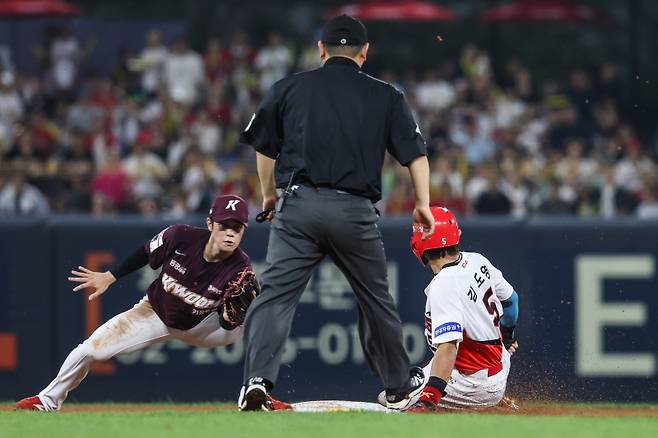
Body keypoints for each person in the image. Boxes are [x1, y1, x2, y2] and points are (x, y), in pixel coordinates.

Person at [238, 15, 435, 411]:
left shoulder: (289, 87)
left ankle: (257, 380)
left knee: (275, 295)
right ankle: (398, 385)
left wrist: (269, 195)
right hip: (354, 211)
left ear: (321, 49)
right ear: (365, 52)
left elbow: (264, 147)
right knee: (375, 299)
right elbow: (416, 155)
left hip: (299, 206)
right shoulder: (386, 95)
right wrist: (423, 203)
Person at [15, 194, 291, 411]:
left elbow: (229, 317)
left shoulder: (241, 267)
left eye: (237, 228)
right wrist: (111, 276)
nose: (230, 233)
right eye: (224, 226)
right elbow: (145, 253)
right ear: (210, 224)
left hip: (205, 326)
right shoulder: (180, 237)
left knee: (259, 319)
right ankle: (47, 401)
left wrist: (237, 318)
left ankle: (258, 392)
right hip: (155, 313)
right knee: (92, 350)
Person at [391, 206, 519, 412]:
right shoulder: (477, 260)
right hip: (500, 364)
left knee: (394, 399)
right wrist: (508, 335)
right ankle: (493, 400)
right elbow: (512, 300)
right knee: (411, 380)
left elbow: (449, 347)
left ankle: (481, 401)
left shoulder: (444, 283)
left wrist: (429, 398)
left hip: (471, 382)